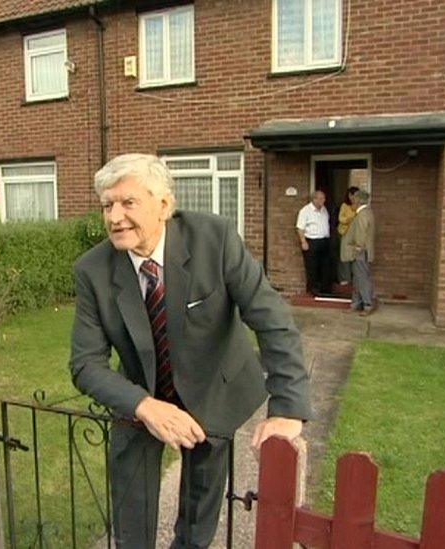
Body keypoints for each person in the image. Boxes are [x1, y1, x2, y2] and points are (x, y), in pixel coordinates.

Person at [70, 154, 311, 548]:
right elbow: (84, 364)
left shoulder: (213, 239)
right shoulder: (92, 270)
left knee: (198, 516)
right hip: (141, 394)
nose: (114, 217)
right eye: (106, 206)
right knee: (131, 515)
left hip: (213, 386)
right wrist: (144, 405)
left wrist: (287, 408)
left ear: (164, 205)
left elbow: (273, 320)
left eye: (128, 203)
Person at [340, 190, 376, 315]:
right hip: (362, 251)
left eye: (354, 199)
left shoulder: (362, 214)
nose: (352, 201)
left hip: (360, 252)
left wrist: (357, 247)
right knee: (357, 279)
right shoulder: (366, 212)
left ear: (359, 200)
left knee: (362, 278)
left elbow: (361, 233)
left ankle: (367, 305)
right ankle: (356, 303)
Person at [295, 190, 331, 295]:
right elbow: (300, 228)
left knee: (325, 265)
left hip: (324, 241)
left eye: (324, 198)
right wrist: (303, 242)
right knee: (312, 266)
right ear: (314, 199)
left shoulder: (324, 210)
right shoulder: (305, 211)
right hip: (312, 241)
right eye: (321, 198)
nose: (323, 201)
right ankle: (313, 289)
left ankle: (324, 289)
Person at [336, 186, 360, 286]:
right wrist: (353, 216)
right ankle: (344, 278)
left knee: (355, 257)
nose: (354, 198)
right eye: (353, 196)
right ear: (349, 196)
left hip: (356, 235)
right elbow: (342, 219)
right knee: (344, 257)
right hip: (345, 233)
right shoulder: (345, 206)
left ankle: (355, 278)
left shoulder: (360, 206)